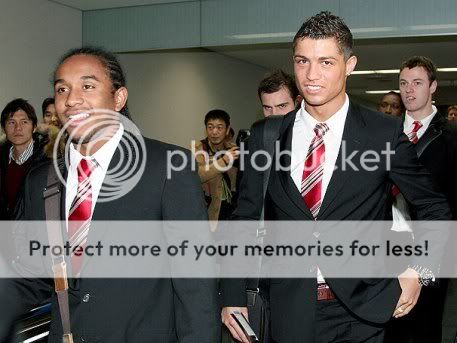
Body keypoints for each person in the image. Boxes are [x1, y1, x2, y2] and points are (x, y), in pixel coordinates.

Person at [220, 11, 451, 343]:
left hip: (362, 310)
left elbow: (434, 208)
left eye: (326, 62)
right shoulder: (267, 136)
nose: (311, 75)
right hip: (288, 308)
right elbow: (242, 218)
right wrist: (231, 295)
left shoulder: (383, 133)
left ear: (350, 64)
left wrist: (419, 271)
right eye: (302, 61)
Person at [0, 47, 219, 342]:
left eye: (87, 86)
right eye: (62, 89)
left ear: (118, 98)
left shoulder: (167, 168)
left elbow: (195, 287)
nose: (71, 99)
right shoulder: (41, 180)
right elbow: (33, 274)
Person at [384, 56, 457, 343]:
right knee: (387, 323)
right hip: (386, 242)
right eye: (403, 83)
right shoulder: (384, 133)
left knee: (425, 325)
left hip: (434, 244)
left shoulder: (451, 136)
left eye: (417, 83)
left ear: (433, 86)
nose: (409, 90)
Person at [0, 98, 49, 220]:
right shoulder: (2, 159)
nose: (18, 128)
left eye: (24, 122)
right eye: (11, 122)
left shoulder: (48, 160)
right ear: (3, 128)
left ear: (34, 127)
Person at [193, 109, 239, 223]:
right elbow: (199, 175)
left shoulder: (232, 148)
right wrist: (224, 161)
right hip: (208, 209)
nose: (214, 132)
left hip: (230, 209)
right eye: (210, 127)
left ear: (227, 130)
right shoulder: (198, 147)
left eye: (219, 127)